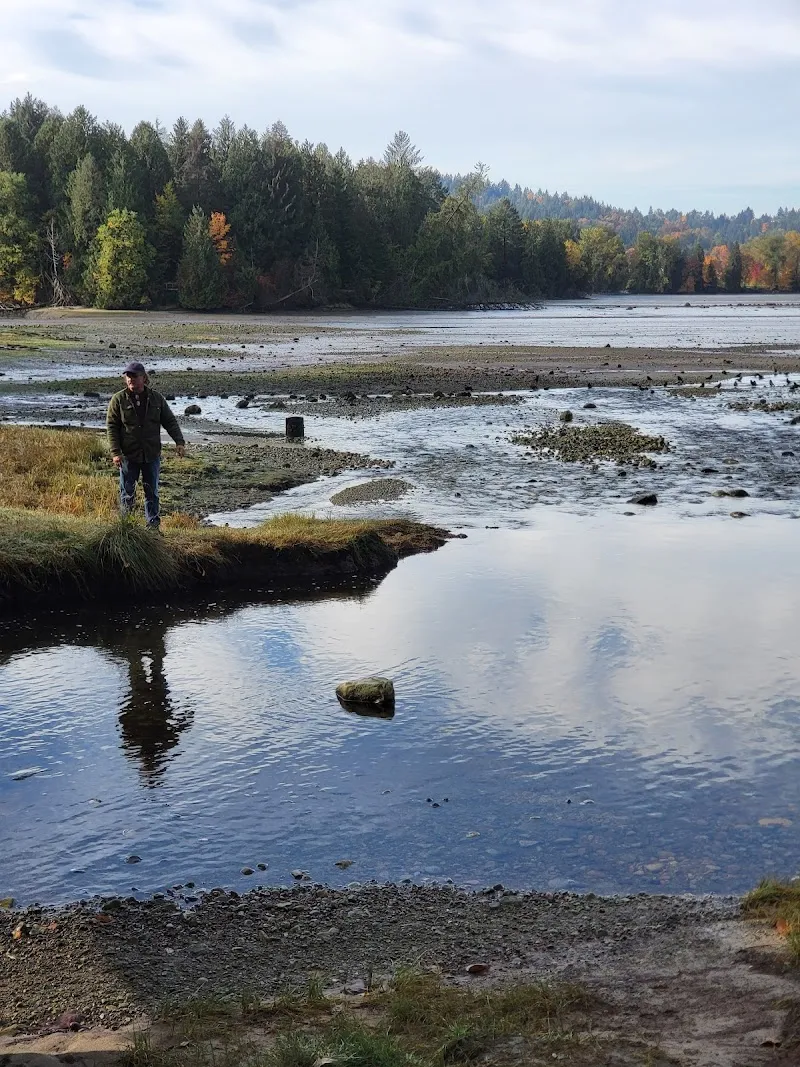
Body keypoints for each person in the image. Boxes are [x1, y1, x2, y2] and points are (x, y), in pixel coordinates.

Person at [106, 361, 186, 528]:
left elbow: (169, 421)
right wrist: (115, 452)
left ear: (144, 378)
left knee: (152, 493)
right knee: (127, 493)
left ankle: (153, 527)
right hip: (129, 455)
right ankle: (125, 527)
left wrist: (179, 441)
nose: (130, 379)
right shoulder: (118, 399)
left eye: (134, 376)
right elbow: (112, 427)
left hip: (151, 454)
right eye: (128, 376)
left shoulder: (156, 398)